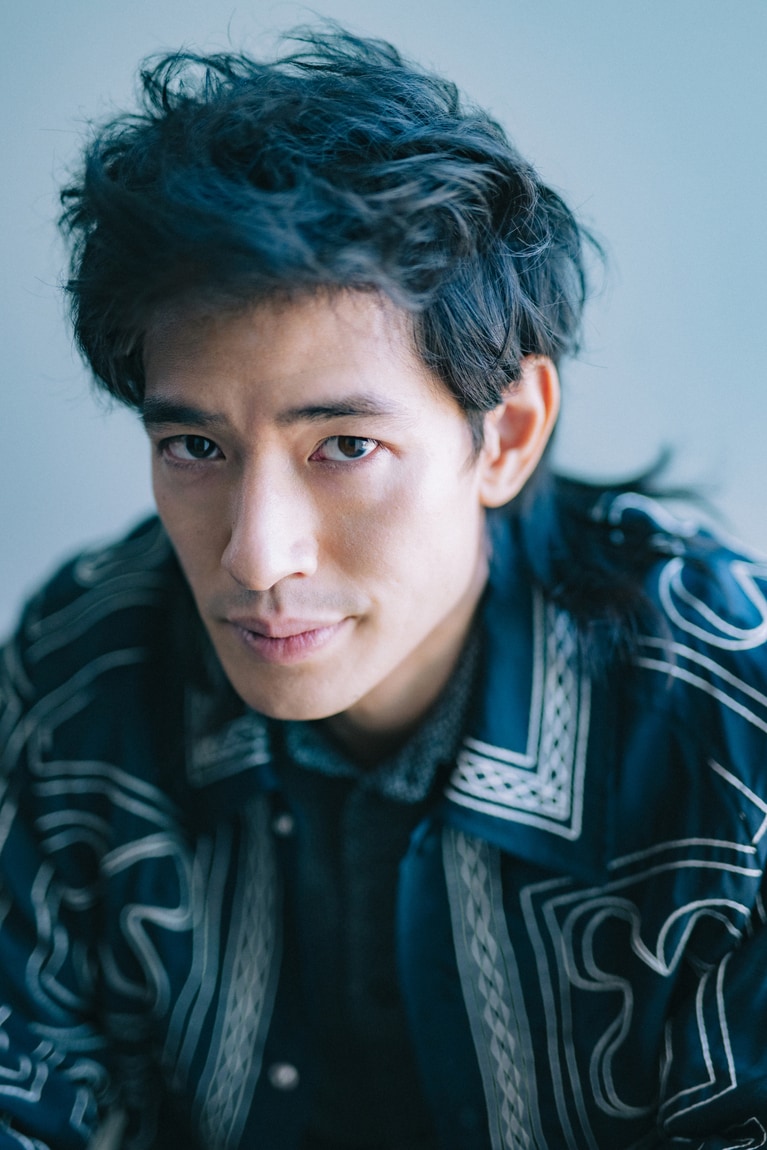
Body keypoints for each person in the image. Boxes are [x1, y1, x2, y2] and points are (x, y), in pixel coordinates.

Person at [1, 26, 767, 1150]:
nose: (256, 557)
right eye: (196, 448)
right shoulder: (81, 677)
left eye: (346, 446)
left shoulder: (728, 729)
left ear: (506, 433)